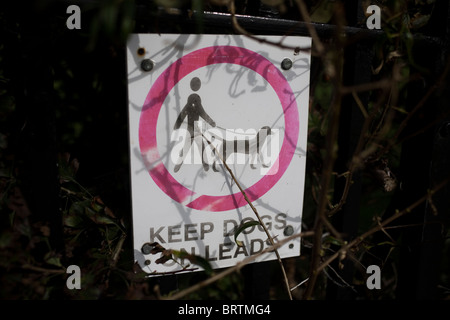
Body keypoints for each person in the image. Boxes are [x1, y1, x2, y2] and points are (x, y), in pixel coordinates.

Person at [173, 77, 216, 172]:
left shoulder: (189, 106)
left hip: (192, 129)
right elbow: (205, 116)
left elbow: (181, 116)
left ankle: (179, 164)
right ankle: (204, 164)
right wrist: (212, 123)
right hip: (195, 129)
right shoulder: (197, 107)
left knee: (189, 147)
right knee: (200, 146)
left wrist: (177, 126)